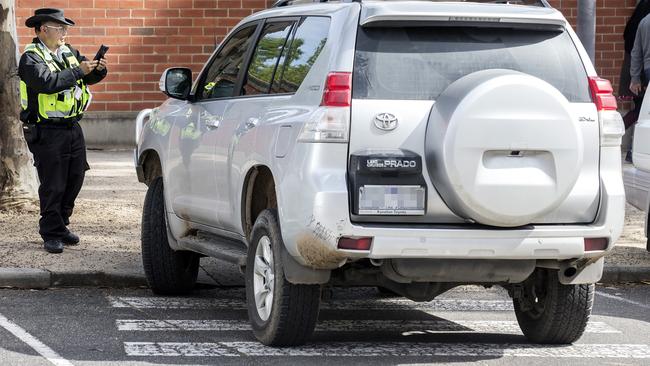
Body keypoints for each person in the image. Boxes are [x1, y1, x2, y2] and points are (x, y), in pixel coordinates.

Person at [18, 8, 108, 254]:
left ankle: (61, 224)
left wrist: (98, 70)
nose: (65, 32)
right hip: (46, 131)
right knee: (53, 184)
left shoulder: (69, 51)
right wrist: (80, 71)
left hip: (71, 127)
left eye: (66, 28)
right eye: (60, 27)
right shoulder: (30, 58)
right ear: (43, 29)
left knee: (75, 178)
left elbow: (85, 79)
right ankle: (50, 233)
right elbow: (47, 83)